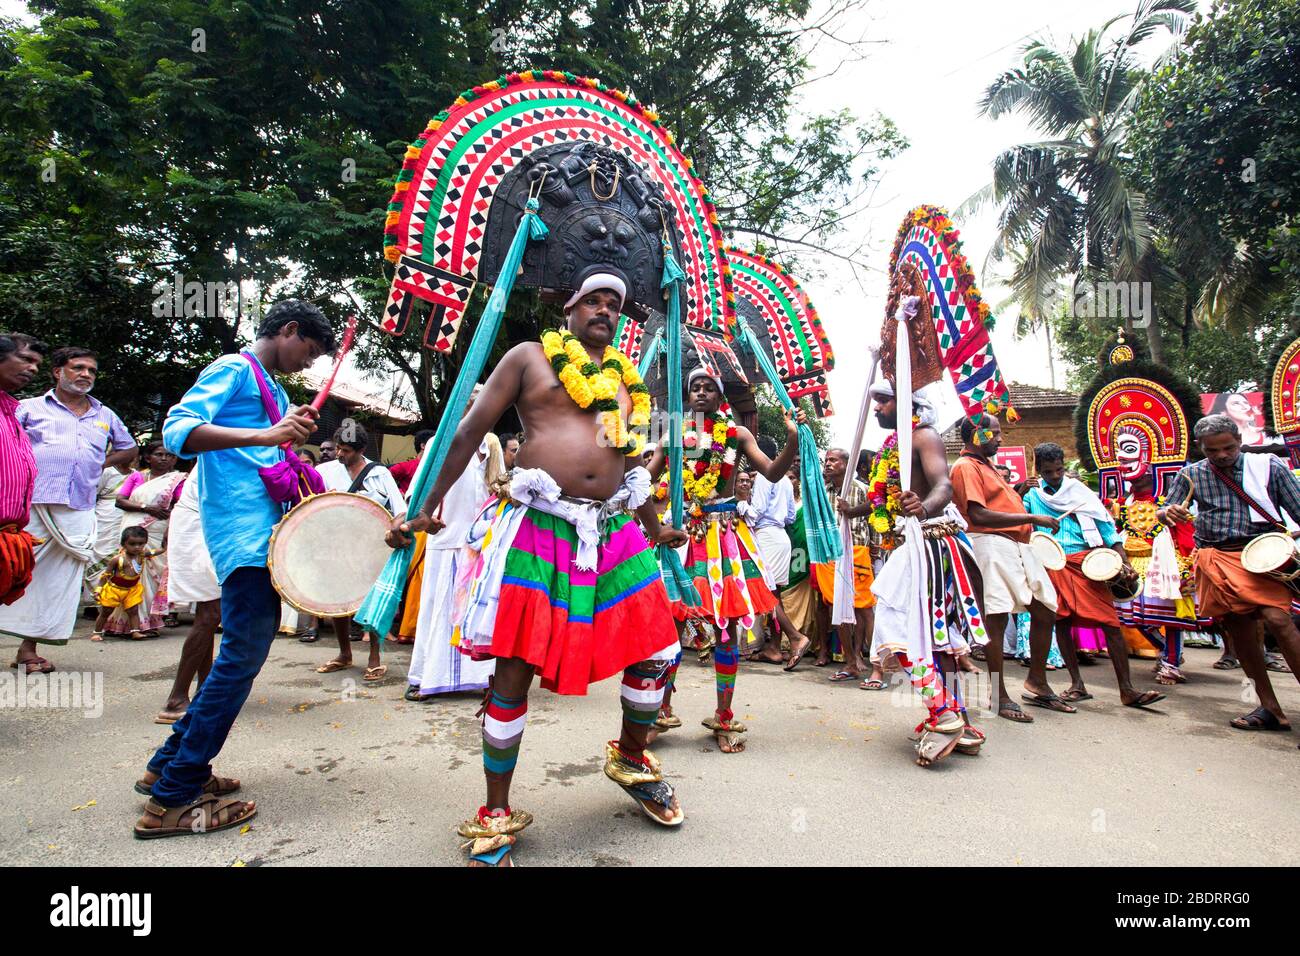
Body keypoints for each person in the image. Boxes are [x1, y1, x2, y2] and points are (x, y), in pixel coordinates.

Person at [388, 269, 690, 865]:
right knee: (515, 667)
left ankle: (631, 757)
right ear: (570, 309)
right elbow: (469, 430)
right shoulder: (529, 358)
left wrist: (656, 527)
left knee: (658, 647)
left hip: (613, 528)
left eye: (615, 304)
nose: (605, 310)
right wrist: (423, 507)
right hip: (539, 528)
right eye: (594, 301)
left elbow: (625, 458)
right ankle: (496, 810)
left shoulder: (620, 380)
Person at [132, 299, 333, 839]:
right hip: (242, 538)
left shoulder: (272, 388)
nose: (306, 364)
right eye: (307, 351)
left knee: (239, 659)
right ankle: (174, 796)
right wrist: (267, 436)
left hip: (261, 537)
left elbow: (262, 454)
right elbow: (179, 431)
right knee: (240, 660)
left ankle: (167, 768)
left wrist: (285, 438)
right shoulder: (233, 367)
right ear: (287, 330)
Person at [647, 366, 802, 754]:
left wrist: (792, 440)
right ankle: (661, 710)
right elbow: (645, 480)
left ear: (719, 397)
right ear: (687, 398)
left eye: (708, 388)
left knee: (728, 629)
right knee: (669, 626)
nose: (700, 393)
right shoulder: (673, 436)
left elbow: (772, 471)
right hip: (682, 536)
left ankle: (724, 715)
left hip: (725, 540)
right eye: (694, 388)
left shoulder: (737, 434)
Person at [866, 379, 989, 765]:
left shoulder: (924, 435)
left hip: (931, 542)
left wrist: (924, 506)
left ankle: (944, 711)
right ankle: (963, 721)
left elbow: (942, 486)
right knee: (938, 636)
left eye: (882, 402)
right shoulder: (895, 445)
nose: (876, 409)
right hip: (916, 543)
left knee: (892, 626)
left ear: (906, 403)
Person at [1159, 414, 1300, 733]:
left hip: (1261, 557)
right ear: (1200, 448)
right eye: (1212, 451)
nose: (1222, 456)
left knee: (1279, 621)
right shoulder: (1191, 474)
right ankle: (1269, 708)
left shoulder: (1269, 467)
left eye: (1229, 448)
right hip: (1215, 557)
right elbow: (1165, 509)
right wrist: (1169, 512)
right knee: (1240, 632)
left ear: (1239, 441)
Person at [1, 346, 137, 673]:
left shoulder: (104, 414)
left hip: (78, 506)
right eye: (78, 368)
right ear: (58, 372)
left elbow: (129, 447)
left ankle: (28, 650)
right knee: (12, 570)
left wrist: (97, 464)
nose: (85, 374)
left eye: (91, 370)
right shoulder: (26, 408)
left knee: (55, 581)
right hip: (28, 505)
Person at [1022, 443, 1165, 709]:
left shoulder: (1079, 492)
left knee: (1110, 623)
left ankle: (1127, 689)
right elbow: (1020, 521)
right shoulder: (1032, 496)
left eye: (1059, 470)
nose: (1055, 476)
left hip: (1087, 562)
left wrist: (1124, 562)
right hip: (1051, 563)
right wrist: (1020, 490)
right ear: (1039, 470)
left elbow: (1106, 528)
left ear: (1064, 466)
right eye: (1048, 471)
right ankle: (1077, 685)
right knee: (1061, 623)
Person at [948, 412, 1067, 722]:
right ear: (977, 434)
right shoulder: (965, 467)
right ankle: (999, 696)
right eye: (995, 433)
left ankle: (1037, 682)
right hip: (989, 543)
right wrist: (1031, 518)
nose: (1000, 439)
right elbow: (979, 514)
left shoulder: (988, 466)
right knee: (996, 618)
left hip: (1017, 545)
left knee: (1045, 608)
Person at [405, 385, 502, 699]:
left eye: (481, 404)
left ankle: (481, 677)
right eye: (470, 403)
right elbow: (418, 490)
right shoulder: (439, 442)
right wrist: (423, 514)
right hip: (444, 538)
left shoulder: (491, 447)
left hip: (480, 544)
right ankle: (424, 678)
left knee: (476, 611)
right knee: (438, 609)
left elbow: (499, 493)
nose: (475, 409)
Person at [315, 420, 405, 682]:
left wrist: (396, 528)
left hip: (372, 548)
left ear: (361, 449)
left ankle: (374, 657)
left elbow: (399, 509)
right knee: (338, 598)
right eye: (339, 449)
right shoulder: (325, 471)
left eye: (347, 450)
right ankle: (344, 654)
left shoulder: (380, 474)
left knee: (373, 599)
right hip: (337, 545)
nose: (341, 454)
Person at [156, 471, 221, 725]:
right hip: (200, 525)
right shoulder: (236, 438)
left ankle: (204, 690)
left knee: (210, 613)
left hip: (206, 521)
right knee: (211, 613)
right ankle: (176, 699)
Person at [741, 436, 812, 671]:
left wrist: (740, 505)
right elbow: (791, 516)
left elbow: (756, 512)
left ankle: (794, 637)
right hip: (781, 536)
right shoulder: (785, 481)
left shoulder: (764, 476)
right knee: (774, 594)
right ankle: (773, 648)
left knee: (764, 593)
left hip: (767, 535)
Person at [812, 448, 875, 683]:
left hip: (857, 550)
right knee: (836, 609)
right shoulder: (823, 490)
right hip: (830, 554)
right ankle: (850, 662)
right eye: (826, 460)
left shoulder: (860, 489)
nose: (828, 464)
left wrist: (875, 549)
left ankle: (877, 661)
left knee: (864, 608)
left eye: (833, 460)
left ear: (847, 464)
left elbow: (873, 519)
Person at [109, 440, 183, 637]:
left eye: (169, 455)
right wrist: (147, 508)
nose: (164, 458)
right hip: (133, 530)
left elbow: (180, 506)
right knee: (128, 573)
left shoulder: (177, 480)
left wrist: (171, 531)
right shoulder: (137, 477)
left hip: (158, 530)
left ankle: (145, 624)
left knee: (152, 576)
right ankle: (122, 624)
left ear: (175, 459)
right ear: (148, 457)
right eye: (159, 454)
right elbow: (120, 501)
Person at [0, 334, 45, 611]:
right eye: (26, 359)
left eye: (37, 363)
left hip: (9, 535)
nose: (33, 368)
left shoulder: (12, 411)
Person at [92, 526, 157, 639]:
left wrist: (165, 547)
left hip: (132, 589)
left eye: (141, 544)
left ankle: (135, 631)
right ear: (123, 544)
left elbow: (155, 552)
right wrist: (98, 590)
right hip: (114, 589)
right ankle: (97, 633)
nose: (137, 547)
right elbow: (105, 576)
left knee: (133, 611)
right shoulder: (117, 559)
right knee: (106, 611)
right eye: (132, 544)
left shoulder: (142, 555)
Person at [388, 429, 434, 496]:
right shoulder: (405, 466)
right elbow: (383, 479)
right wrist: (399, 493)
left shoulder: (437, 468)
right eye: (434, 444)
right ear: (423, 446)